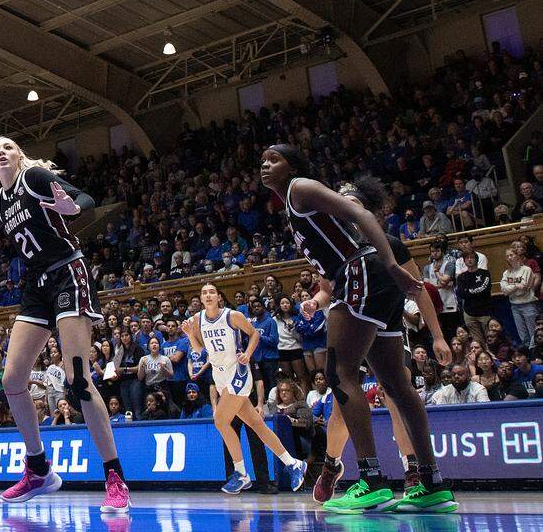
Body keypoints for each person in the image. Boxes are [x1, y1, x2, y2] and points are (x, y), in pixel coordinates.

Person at [0, 136, 129, 513]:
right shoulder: (1, 201)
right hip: (36, 285)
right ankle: (38, 469)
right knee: (12, 380)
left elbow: (85, 199)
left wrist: (72, 208)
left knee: (78, 380)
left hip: (67, 272)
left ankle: (115, 476)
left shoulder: (33, 177)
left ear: (18, 156)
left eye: (8, 148)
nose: (1, 152)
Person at [260, 148, 454, 514]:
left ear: (294, 165)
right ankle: (431, 482)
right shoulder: (294, 202)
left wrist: (393, 264)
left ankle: (371, 479)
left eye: (274, 158)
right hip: (367, 278)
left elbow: (361, 213)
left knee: (340, 373)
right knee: (396, 383)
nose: (265, 165)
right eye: (263, 160)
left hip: (361, 271)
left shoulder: (300, 187)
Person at [311, 176, 454, 504]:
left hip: (383, 320)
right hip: (352, 321)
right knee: (341, 406)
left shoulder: (389, 243)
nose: (346, 208)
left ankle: (415, 472)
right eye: (341, 202)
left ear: (367, 210)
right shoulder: (334, 244)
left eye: (353, 203)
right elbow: (325, 289)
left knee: (396, 391)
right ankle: (332, 465)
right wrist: (314, 303)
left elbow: (418, 289)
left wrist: (438, 337)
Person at [182, 282, 307, 495]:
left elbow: (254, 334)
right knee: (257, 425)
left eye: (212, 291)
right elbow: (200, 351)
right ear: (201, 299)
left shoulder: (232, 316)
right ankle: (293, 464)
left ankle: (241, 472)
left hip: (238, 373)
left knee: (220, 421)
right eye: (204, 293)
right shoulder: (197, 319)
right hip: (219, 375)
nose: (208, 295)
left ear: (219, 296)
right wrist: (189, 334)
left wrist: (248, 354)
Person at [500, 249, 538, 351]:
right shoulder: (506, 273)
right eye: (507, 256)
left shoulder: (526, 270)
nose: (509, 257)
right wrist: (516, 286)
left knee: (533, 333)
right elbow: (504, 290)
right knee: (523, 335)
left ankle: (535, 354)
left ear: (517, 256)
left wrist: (511, 288)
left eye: (511, 255)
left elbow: (524, 288)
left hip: (528, 304)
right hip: (515, 306)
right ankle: (527, 354)